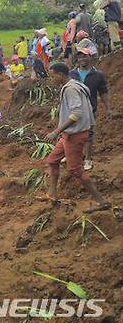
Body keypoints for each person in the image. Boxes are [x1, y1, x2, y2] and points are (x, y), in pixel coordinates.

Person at [43, 63, 110, 212]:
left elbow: (76, 114)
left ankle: (101, 202)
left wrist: (56, 131)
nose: (51, 79)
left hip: (75, 135)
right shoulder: (73, 85)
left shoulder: (71, 89)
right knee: (52, 160)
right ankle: (52, 194)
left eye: (53, 75)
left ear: (60, 75)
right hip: (70, 134)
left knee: (75, 170)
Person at [71, 40, 110, 171]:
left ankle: (88, 159)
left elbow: (103, 92)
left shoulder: (98, 75)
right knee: (73, 133)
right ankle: (74, 155)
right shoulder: (72, 74)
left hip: (90, 109)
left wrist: (108, 108)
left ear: (90, 57)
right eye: (79, 56)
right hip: (73, 109)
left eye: (84, 56)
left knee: (88, 135)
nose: (81, 58)